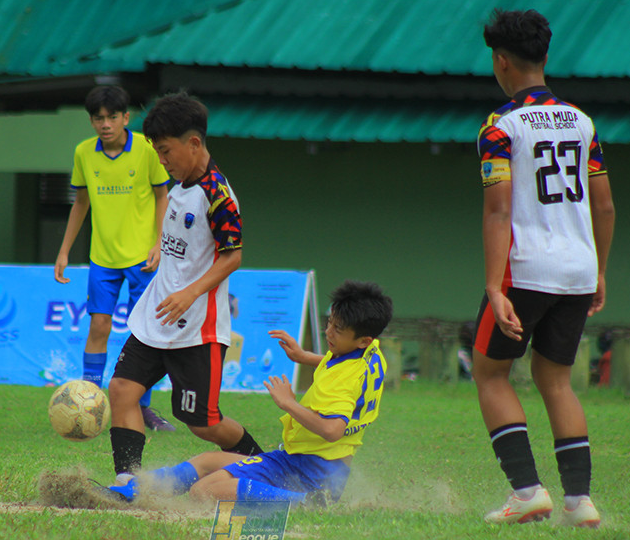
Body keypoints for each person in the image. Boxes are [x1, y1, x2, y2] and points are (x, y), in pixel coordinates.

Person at [473, 8, 615, 528]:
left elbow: (499, 209)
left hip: (527, 268)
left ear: (501, 61)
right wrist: (598, 269)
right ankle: (580, 502)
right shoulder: (582, 121)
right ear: (546, 57)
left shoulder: (501, 126)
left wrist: (493, 285)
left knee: (490, 371)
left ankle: (527, 491)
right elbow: (603, 206)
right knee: (555, 379)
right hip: (578, 269)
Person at [106, 280, 393, 506]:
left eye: (338, 329)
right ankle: (131, 490)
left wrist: (288, 403)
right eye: (329, 322)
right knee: (208, 460)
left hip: (312, 474)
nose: (329, 331)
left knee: (203, 492)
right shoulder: (371, 354)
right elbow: (341, 368)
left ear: (363, 339)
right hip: (310, 464)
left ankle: (306, 503)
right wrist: (305, 356)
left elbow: (332, 430)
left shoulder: (342, 380)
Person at [106, 91, 263, 484]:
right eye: (157, 152)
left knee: (202, 423)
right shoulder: (178, 186)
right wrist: (160, 246)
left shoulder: (219, 196)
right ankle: (130, 484)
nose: (162, 160)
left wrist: (190, 293)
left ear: (194, 143)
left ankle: (267, 467)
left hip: (197, 328)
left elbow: (233, 257)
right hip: (157, 315)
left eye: (165, 151)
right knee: (123, 389)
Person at [54, 85, 175, 431]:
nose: (105, 124)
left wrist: (159, 244)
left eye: (112, 117)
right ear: (91, 121)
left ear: (126, 118)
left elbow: (162, 196)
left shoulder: (147, 150)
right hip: (102, 257)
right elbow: (80, 203)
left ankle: (143, 409)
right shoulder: (83, 154)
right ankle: (86, 403)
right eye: (98, 118)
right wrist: (63, 251)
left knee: (144, 335)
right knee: (99, 325)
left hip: (143, 258)